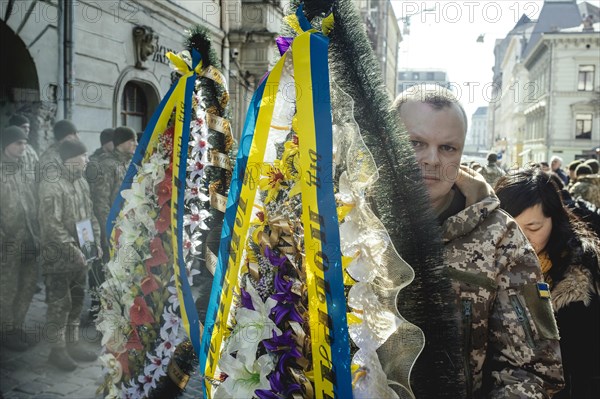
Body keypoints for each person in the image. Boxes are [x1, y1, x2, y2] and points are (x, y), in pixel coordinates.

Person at [392, 84, 564, 397]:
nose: (431, 159)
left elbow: (534, 370)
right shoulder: (346, 223)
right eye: (415, 143)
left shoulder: (500, 237)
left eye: (448, 148)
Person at [496, 168, 600, 398]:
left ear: (555, 219)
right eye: (510, 229)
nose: (522, 239)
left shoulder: (585, 272)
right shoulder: (484, 264)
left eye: (533, 228)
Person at [38, 139, 100, 371]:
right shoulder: (51, 185)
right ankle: (58, 350)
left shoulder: (82, 182)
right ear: (71, 159)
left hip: (81, 255)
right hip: (59, 257)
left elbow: (90, 215)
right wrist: (72, 249)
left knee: (76, 300)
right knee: (59, 304)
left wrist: (95, 243)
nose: (87, 160)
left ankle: (73, 344)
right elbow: (51, 225)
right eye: (84, 156)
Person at [0, 126, 39, 351]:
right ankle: (5, 331)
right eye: (18, 143)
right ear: (6, 145)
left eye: (25, 143)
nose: (23, 147)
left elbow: (34, 200)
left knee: (27, 284)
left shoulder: (26, 169)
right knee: (7, 288)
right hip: (8, 243)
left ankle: (17, 326)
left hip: (30, 239)